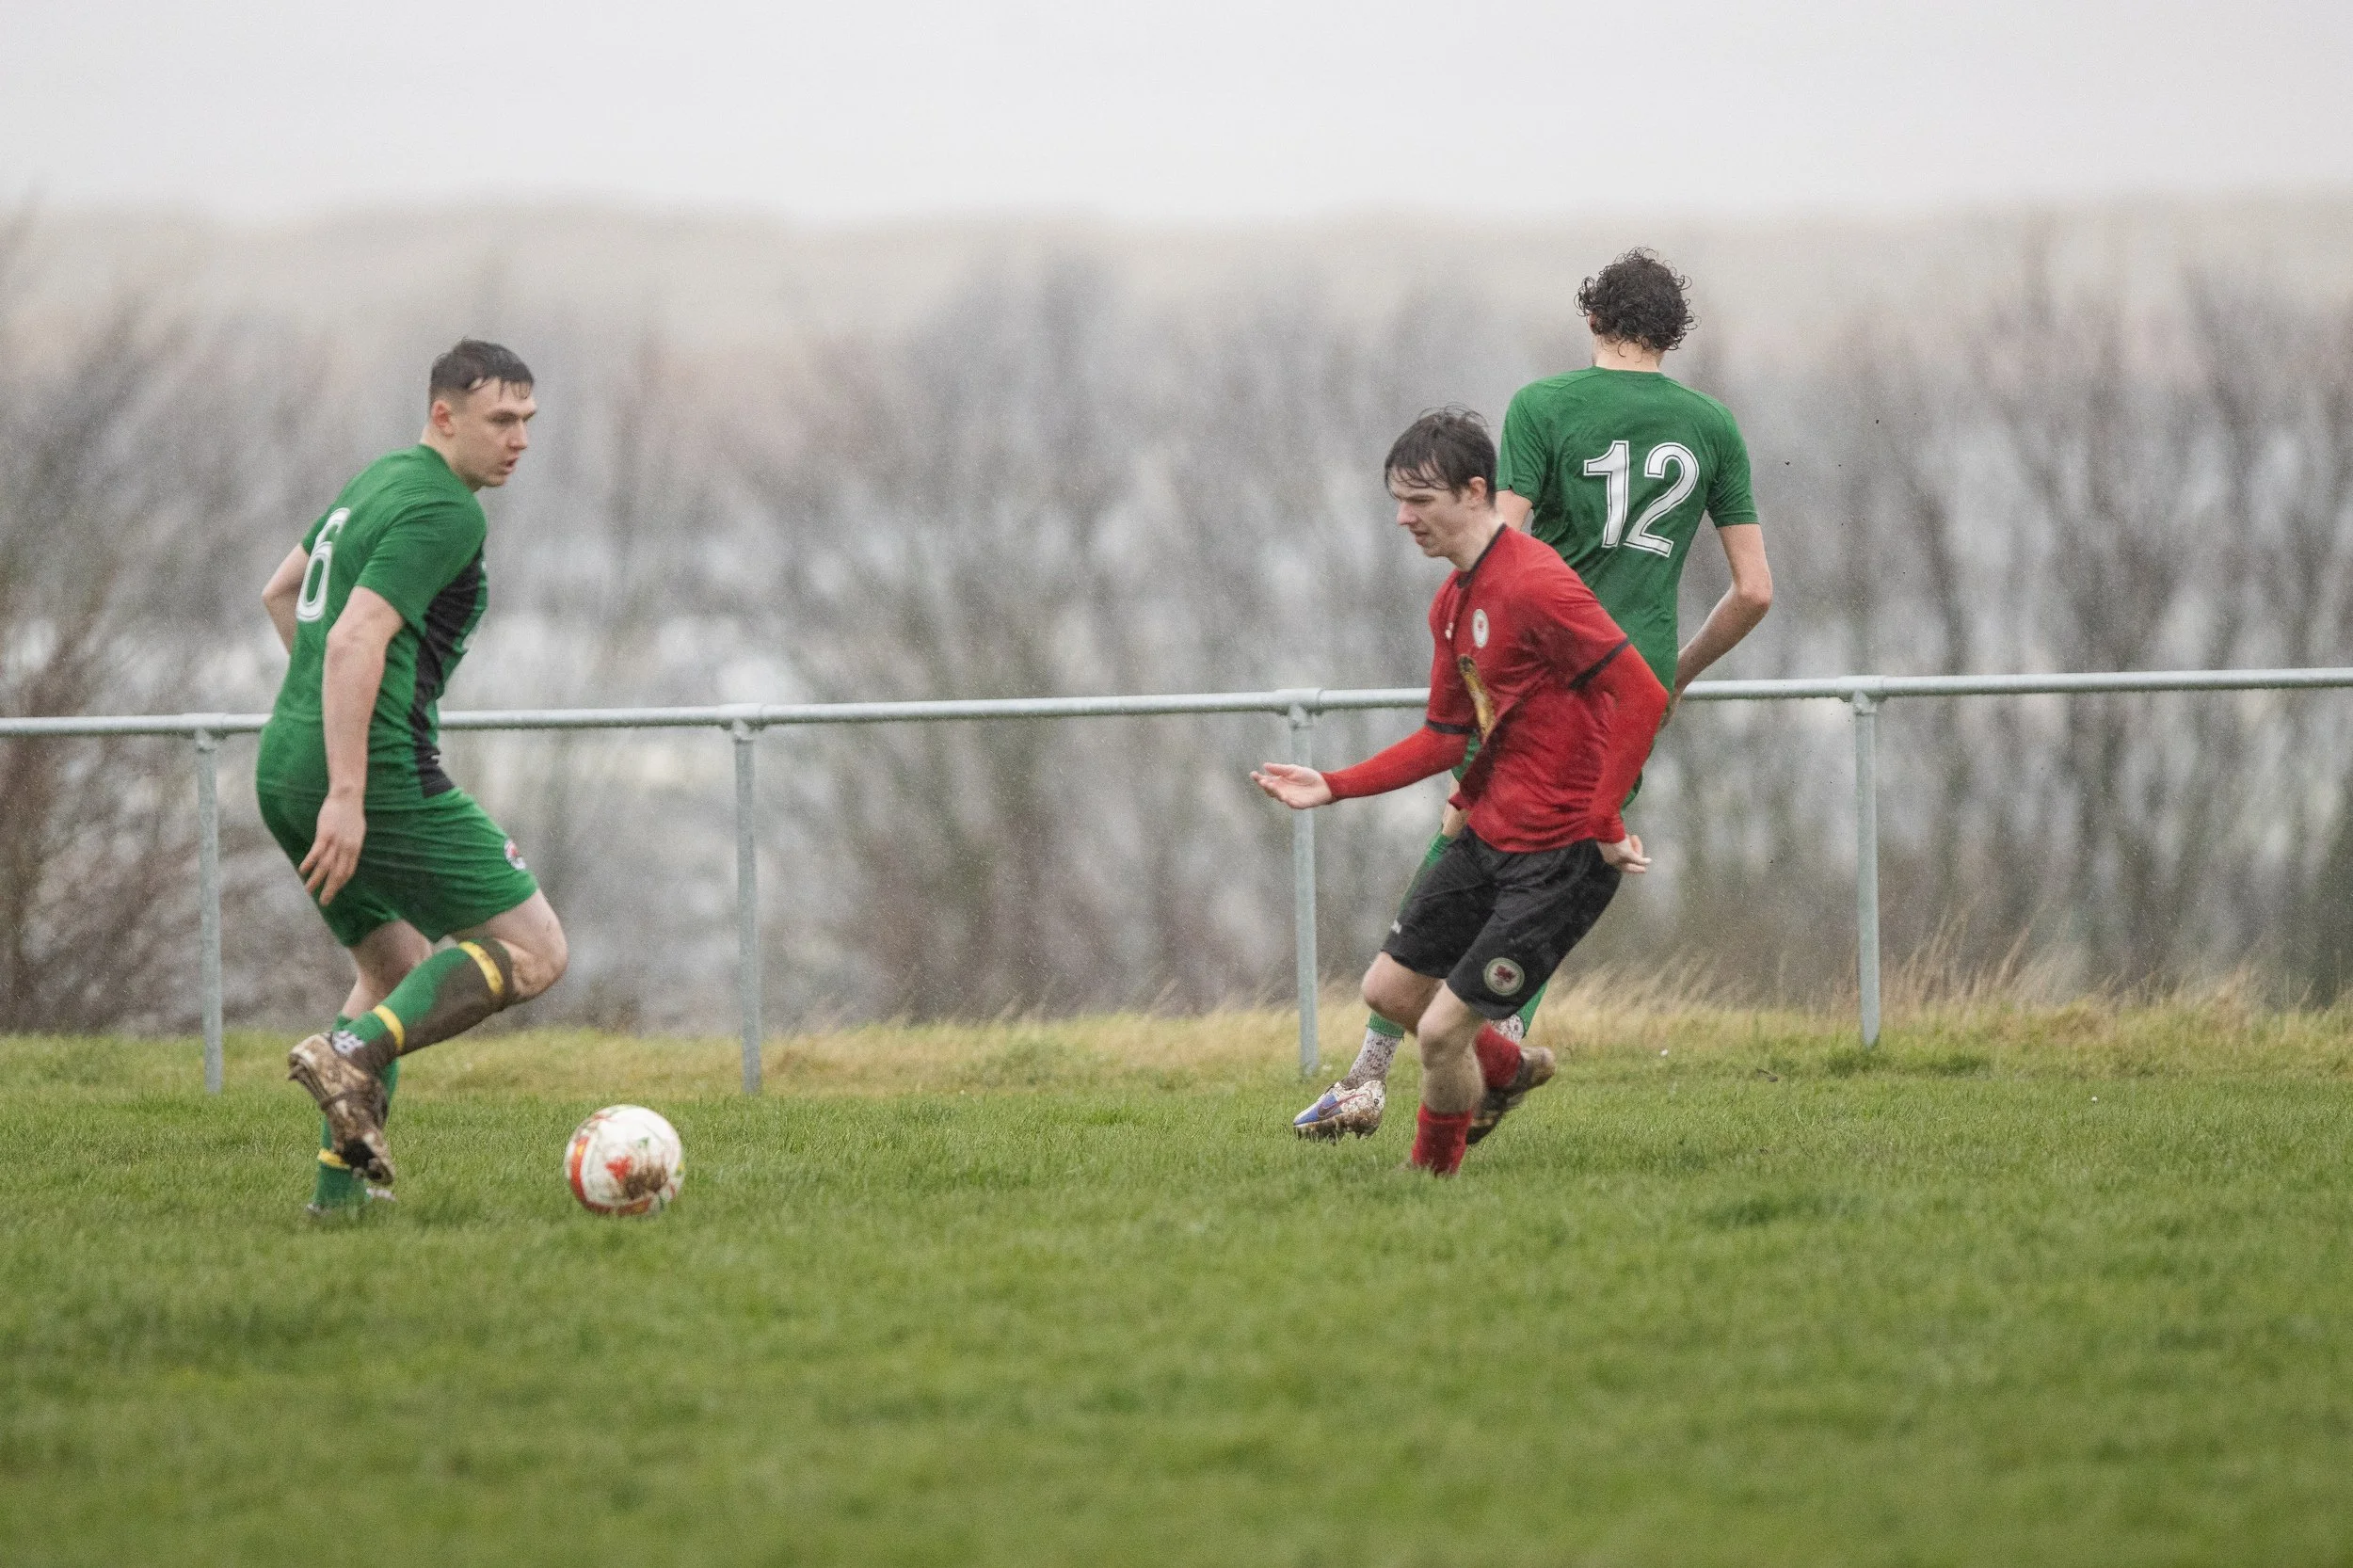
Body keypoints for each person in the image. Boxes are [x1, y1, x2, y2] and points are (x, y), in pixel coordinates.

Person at [1292, 250, 1772, 1144]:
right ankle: (1484, 1063)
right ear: (1672, 333)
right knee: (1547, 874)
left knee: (1470, 848)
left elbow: (1492, 548)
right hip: (1630, 689)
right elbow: (1753, 591)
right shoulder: (1713, 426)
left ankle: (1384, 1077)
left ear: (1592, 320)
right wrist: (1673, 673)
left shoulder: (1545, 407)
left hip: (1532, 679)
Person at [1255, 408, 1668, 1176]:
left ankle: (1426, 1186)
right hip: (1488, 835)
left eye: (1420, 500)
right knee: (1388, 989)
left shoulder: (1538, 583)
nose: (1404, 518)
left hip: (1560, 854)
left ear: (1476, 491)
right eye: (1398, 502)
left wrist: (1604, 815)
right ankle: (1507, 1075)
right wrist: (1335, 785)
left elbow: (1643, 694)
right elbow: (1446, 737)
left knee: (1443, 1035)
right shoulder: (1450, 603)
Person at [257, 339, 568, 1210]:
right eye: (500, 420)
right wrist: (350, 789)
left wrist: (322, 736)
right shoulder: (447, 511)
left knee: (393, 977)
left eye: (528, 422)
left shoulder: (377, 479)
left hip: (283, 767)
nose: (519, 440)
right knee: (536, 950)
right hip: (376, 778)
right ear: (445, 415)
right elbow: (354, 636)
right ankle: (351, 1055)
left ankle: (340, 1199)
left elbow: (281, 592)